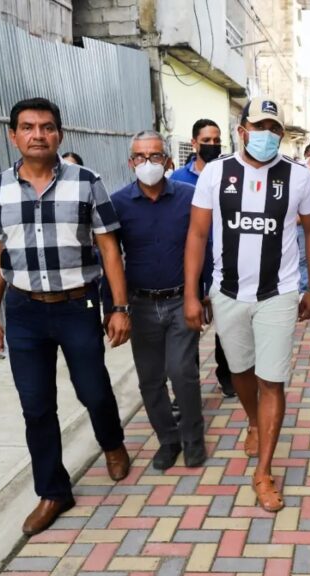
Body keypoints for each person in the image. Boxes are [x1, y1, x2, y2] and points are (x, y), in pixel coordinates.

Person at [0, 98, 131, 536]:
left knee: (94, 390)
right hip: (24, 311)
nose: (38, 134)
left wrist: (118, 307)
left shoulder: (86, 183)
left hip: (77, 305)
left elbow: (108, 248)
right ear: (13, 135)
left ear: (59, 134)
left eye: (46, 127)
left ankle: (112, 442)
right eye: (28, 127)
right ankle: (53, 491)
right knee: (36, 406)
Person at [183, 97, 310, 512]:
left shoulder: (298, 178)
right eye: (258, 126)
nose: (266, 135)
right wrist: (193, 293)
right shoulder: (216, 173)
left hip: (277, 293)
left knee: (272, 380)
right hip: (227, 293)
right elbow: (196, 235)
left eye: (274, 128)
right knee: (241, 371)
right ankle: (252, 420)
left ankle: (263, 472)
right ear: (241, 129)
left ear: (281, 134)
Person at [106, 131, 206, 471]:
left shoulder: (190, 197)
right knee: (150, 379)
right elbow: (110, 259)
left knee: (182, 373)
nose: (147, 163)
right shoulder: (117, 203)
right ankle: (168, 440)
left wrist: (201, 293)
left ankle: (193, 440)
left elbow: (203, 246)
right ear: (131, 162)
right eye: (140, 157)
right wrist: (114, 308)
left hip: (181, 299)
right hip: (141, 304)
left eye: (155, 156)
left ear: (168, 161)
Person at [171, 119, 236, 398]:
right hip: (191, 260)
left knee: (226, 320)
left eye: (216, 140)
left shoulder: (230, 174)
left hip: (223, 259)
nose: (212, 145)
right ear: (194, 143)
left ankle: (227, 374)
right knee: (190, 321)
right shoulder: (177, 179)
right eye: (206, 140)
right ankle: (189, 383)